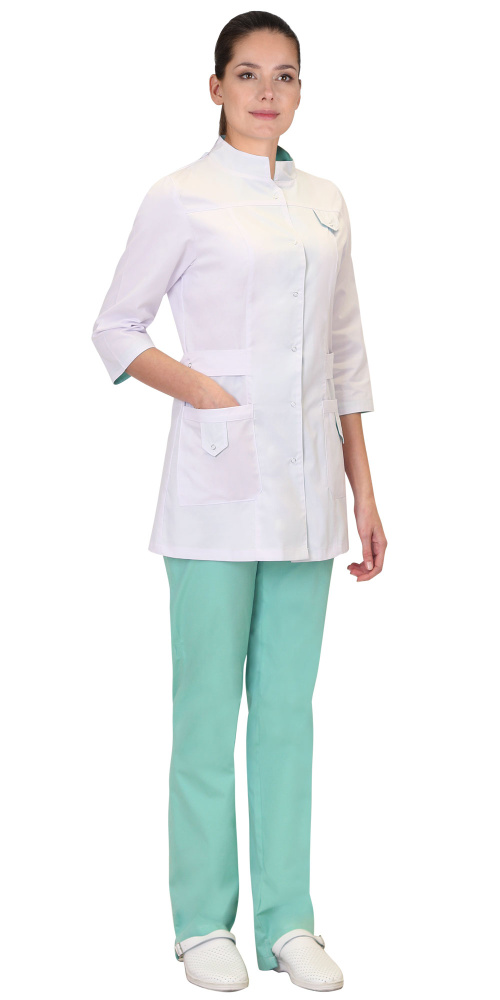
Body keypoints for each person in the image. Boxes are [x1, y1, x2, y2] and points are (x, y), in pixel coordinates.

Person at [91, 10, 387, 993]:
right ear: (214, 86)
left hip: (309, 498)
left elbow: (345, 355)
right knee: (207, 711)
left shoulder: (326, 203)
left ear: (300, 92)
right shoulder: (179, 196)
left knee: (289, 715)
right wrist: (204, 392)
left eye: (285, 75)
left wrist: (365, 491)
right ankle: (199, 923)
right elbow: (116, 326)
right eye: (249, 73)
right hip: (214, 495)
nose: (268, 91)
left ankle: (287, 919)